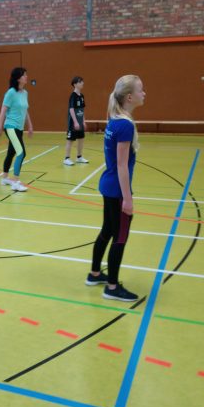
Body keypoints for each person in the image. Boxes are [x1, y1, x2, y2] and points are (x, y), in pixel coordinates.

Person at [85, 75, 145, 302]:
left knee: (107, 230)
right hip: (117, 190)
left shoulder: (115, 119)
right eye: (140, 90)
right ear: (129, 97)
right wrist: (127, 199)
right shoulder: (124, 125)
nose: (144, 94)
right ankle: (111, 287)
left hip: (109, 186)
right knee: (119, 237)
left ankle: (95, 274)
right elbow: (121, 165)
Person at [0, 67, 33, 192]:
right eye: (24, 75)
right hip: (10, 127)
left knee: (11, 152)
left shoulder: (25, 93)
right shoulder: (11, 93)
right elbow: (3, 110)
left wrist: (30, 126)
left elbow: (25, 110)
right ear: (18, 78)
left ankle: (4, 178)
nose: (26, 77)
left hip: (19, 128)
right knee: (21, 152)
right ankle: (16, 182)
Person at [64, 76, 89, 166]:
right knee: (70, 140)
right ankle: (66, 158)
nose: (82, 83)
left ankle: (79, 157)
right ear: (75, 84)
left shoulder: (81, 96)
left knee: (81, 139)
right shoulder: (73, 96)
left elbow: (82, 110)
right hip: (73, 123)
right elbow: (71, 109)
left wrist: (83, 121)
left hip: (80, 122)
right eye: (80, 82)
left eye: (82, 81)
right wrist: (75, 122)